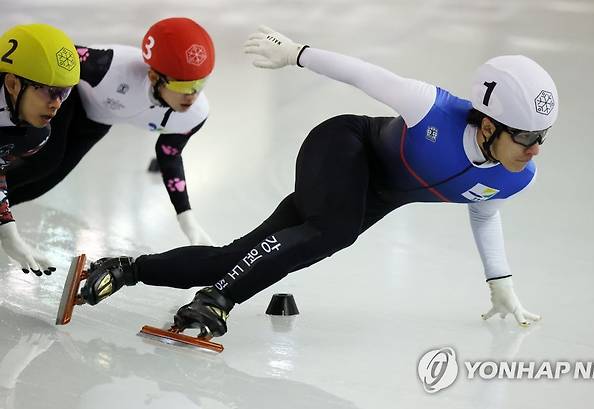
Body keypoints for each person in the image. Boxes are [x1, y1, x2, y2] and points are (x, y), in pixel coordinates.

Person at [79, 26, 559, 337]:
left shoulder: (517, 176)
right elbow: (368, 76)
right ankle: (218, 300)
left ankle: (126, 269)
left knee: (237, 257)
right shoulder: (433, 108)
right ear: (490, 125)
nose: (535, 148)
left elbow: (485, 209)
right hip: (343, 146)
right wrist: (296, 54)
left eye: (543, 137)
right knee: (334, 230)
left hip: (367, 195)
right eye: (527, 137)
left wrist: (501, 283)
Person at [6, 17, 215, 245]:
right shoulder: (111, 68)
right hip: (68, 98)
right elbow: (56, 54)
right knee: (45, 160)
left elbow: (170, 155)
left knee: (44, 183)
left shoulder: (195, 114)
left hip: (97, 122)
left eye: (199, 85)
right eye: (183, 86)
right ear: (154, 77)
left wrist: (188, 220)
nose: (192, 96)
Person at [0, 23, 79, 276]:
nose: (56, 104)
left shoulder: (36, 135)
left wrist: (9, 234)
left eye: (64, 93)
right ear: (13, 84)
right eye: (48, 91)